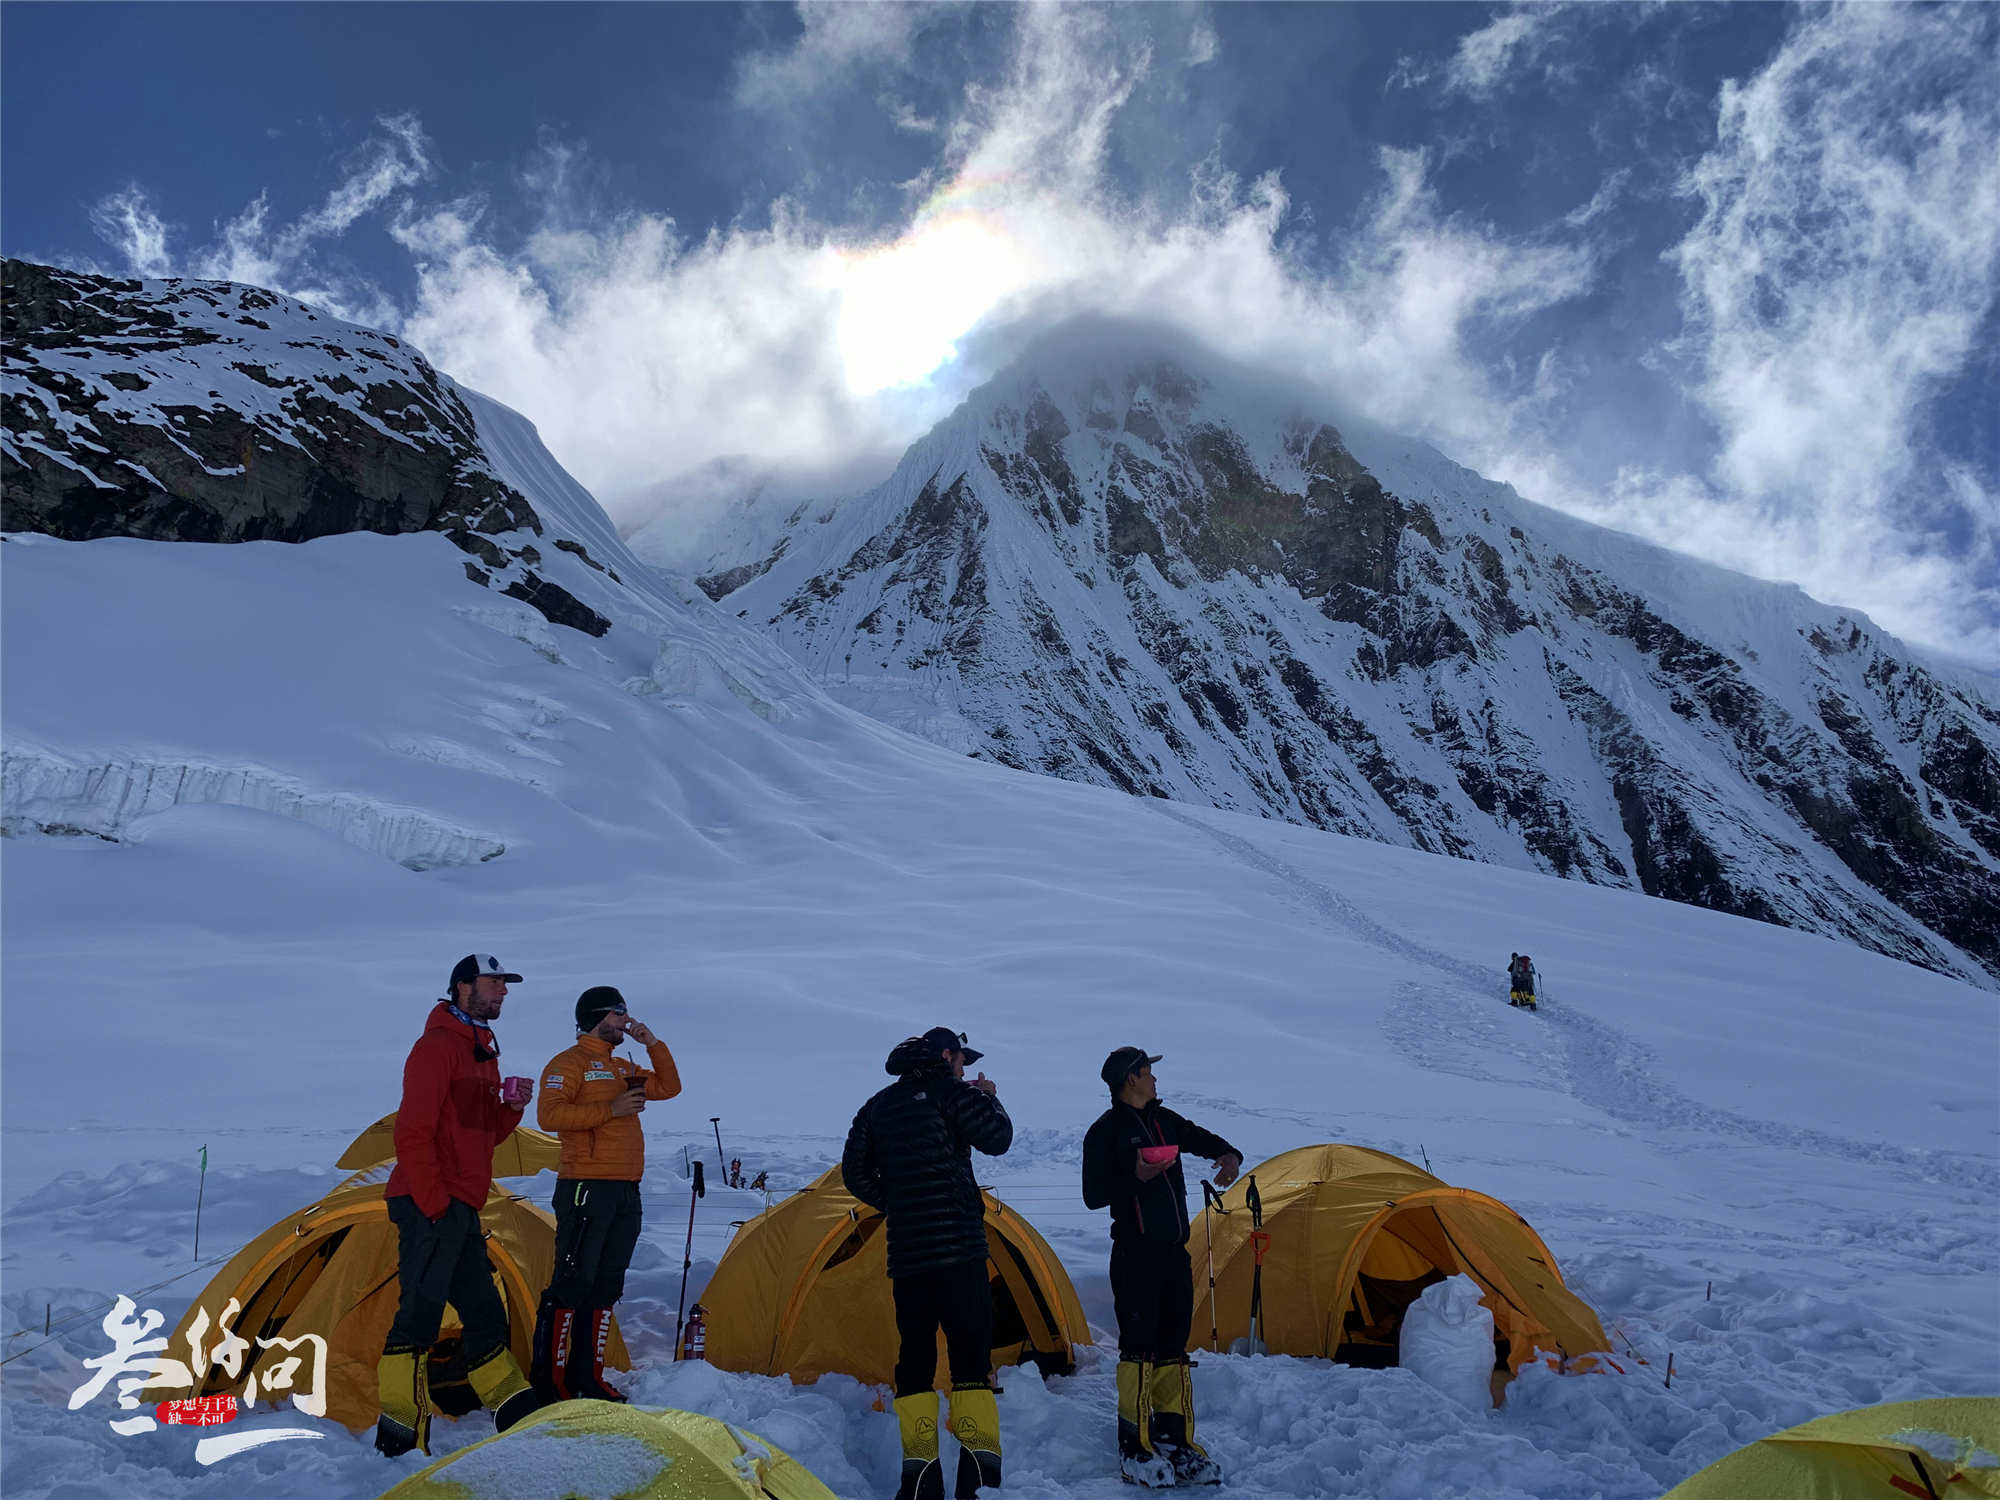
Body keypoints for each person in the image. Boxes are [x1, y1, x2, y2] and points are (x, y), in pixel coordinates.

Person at [376, 954, 542, 1457]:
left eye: (505, 984)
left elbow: (481, 1135)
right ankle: (400, 1431)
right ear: (463, 987)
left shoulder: (481, 1051)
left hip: (462, 1203)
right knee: (420, 1315)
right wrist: (434, 1203)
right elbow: (412, 1132)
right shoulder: (435, 1047)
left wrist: (509, 1111)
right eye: (495, 983)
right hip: (430, 1200)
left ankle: (512, 1406)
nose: (504, 992)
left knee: (483, 1309)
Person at [843, 1027, 1012, 1500]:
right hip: (960, 1250)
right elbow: (998, 1139)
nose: (964, 1066)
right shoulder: (951, 1091)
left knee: (914, 1361)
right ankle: (979, 1483)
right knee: (971, 1362)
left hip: (909, 1258)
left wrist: (899, 1202)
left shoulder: (877, 1106)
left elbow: (853, 1172)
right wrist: (990, 1099)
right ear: (944, 1055)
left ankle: (919, 1481)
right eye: (961, 1058)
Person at [1081, 1048, 1243, 1488]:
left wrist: (1229, 1154)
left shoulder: (1163, 1118)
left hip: (1174, 1252)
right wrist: (1137, 1177)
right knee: (1138, 1349)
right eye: (1148, 1072)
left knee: (1172, 1347)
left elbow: (1200, 1139)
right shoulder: (1105, 1131)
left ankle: (1175, 1443)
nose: (1154, 1079)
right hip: (1135, 1254)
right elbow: (1093, 1195)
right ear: (1130, 1078)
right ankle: (1133, 1447)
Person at [530, 985, 683, 1403]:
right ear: (599, 1016)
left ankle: (589, 1377)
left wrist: (652, 1044)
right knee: (571, 1284)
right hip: (585, 1185)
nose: (625, 1020)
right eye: (620, 1013)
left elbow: (669, 1087)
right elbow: (548, 1115)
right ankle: (551, 1381)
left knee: (605, 1285)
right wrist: (610, 1111)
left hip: (624, 1189)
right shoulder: (568, 1062)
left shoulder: (620, 1065)